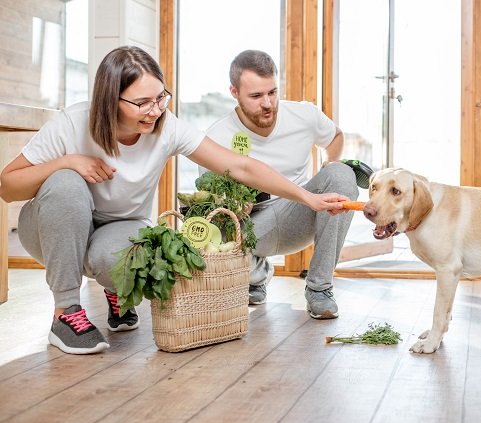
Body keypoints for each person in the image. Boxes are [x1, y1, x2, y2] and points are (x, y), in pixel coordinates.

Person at [0, 46, 348, 355]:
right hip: (52, 228)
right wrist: (68, 161)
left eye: (160, 98)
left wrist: (307, 197)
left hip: (120, 228)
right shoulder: (72, 123)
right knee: (64, 182)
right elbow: (8, 186)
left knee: (130, 256)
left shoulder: (167, 127)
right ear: (110, 99)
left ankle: (116, 290)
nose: (154, 111)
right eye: (142, 103)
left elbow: (240, 166)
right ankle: (66, 312)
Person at [202, 50, 358, 319]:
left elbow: (335, 136)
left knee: (342, 175)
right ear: (234, 92)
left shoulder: (304, 115)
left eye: (272, 92)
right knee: (211, 238)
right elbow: (209, 202)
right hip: (252, 225)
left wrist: (329, 163)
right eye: (256, 96)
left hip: (300, 213)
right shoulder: (217, 136)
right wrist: (235, 207)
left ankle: (320, 288)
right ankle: (255, 275)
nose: (268, 103)